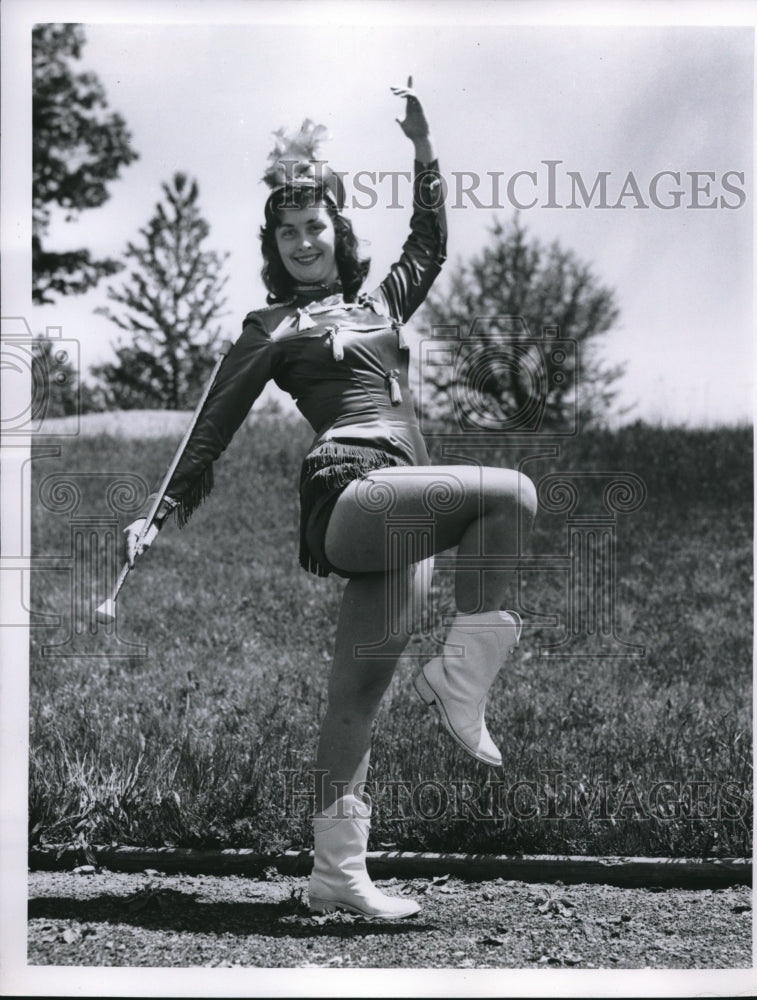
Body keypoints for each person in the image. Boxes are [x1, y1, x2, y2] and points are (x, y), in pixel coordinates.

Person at [124, 78, 537, 920]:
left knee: (356, 695)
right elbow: (211, 426)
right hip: (349, 489)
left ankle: (335, 874)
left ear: (336, 229)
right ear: (273, 243)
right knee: (513, 495)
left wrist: (423, 152)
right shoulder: (269, 328)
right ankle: (463, 674)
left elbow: (429, 244)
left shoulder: (380, 302)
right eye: (288, 231)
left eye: (316, 226)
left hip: (403, 514)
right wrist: (155, 514)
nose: (304, 239)